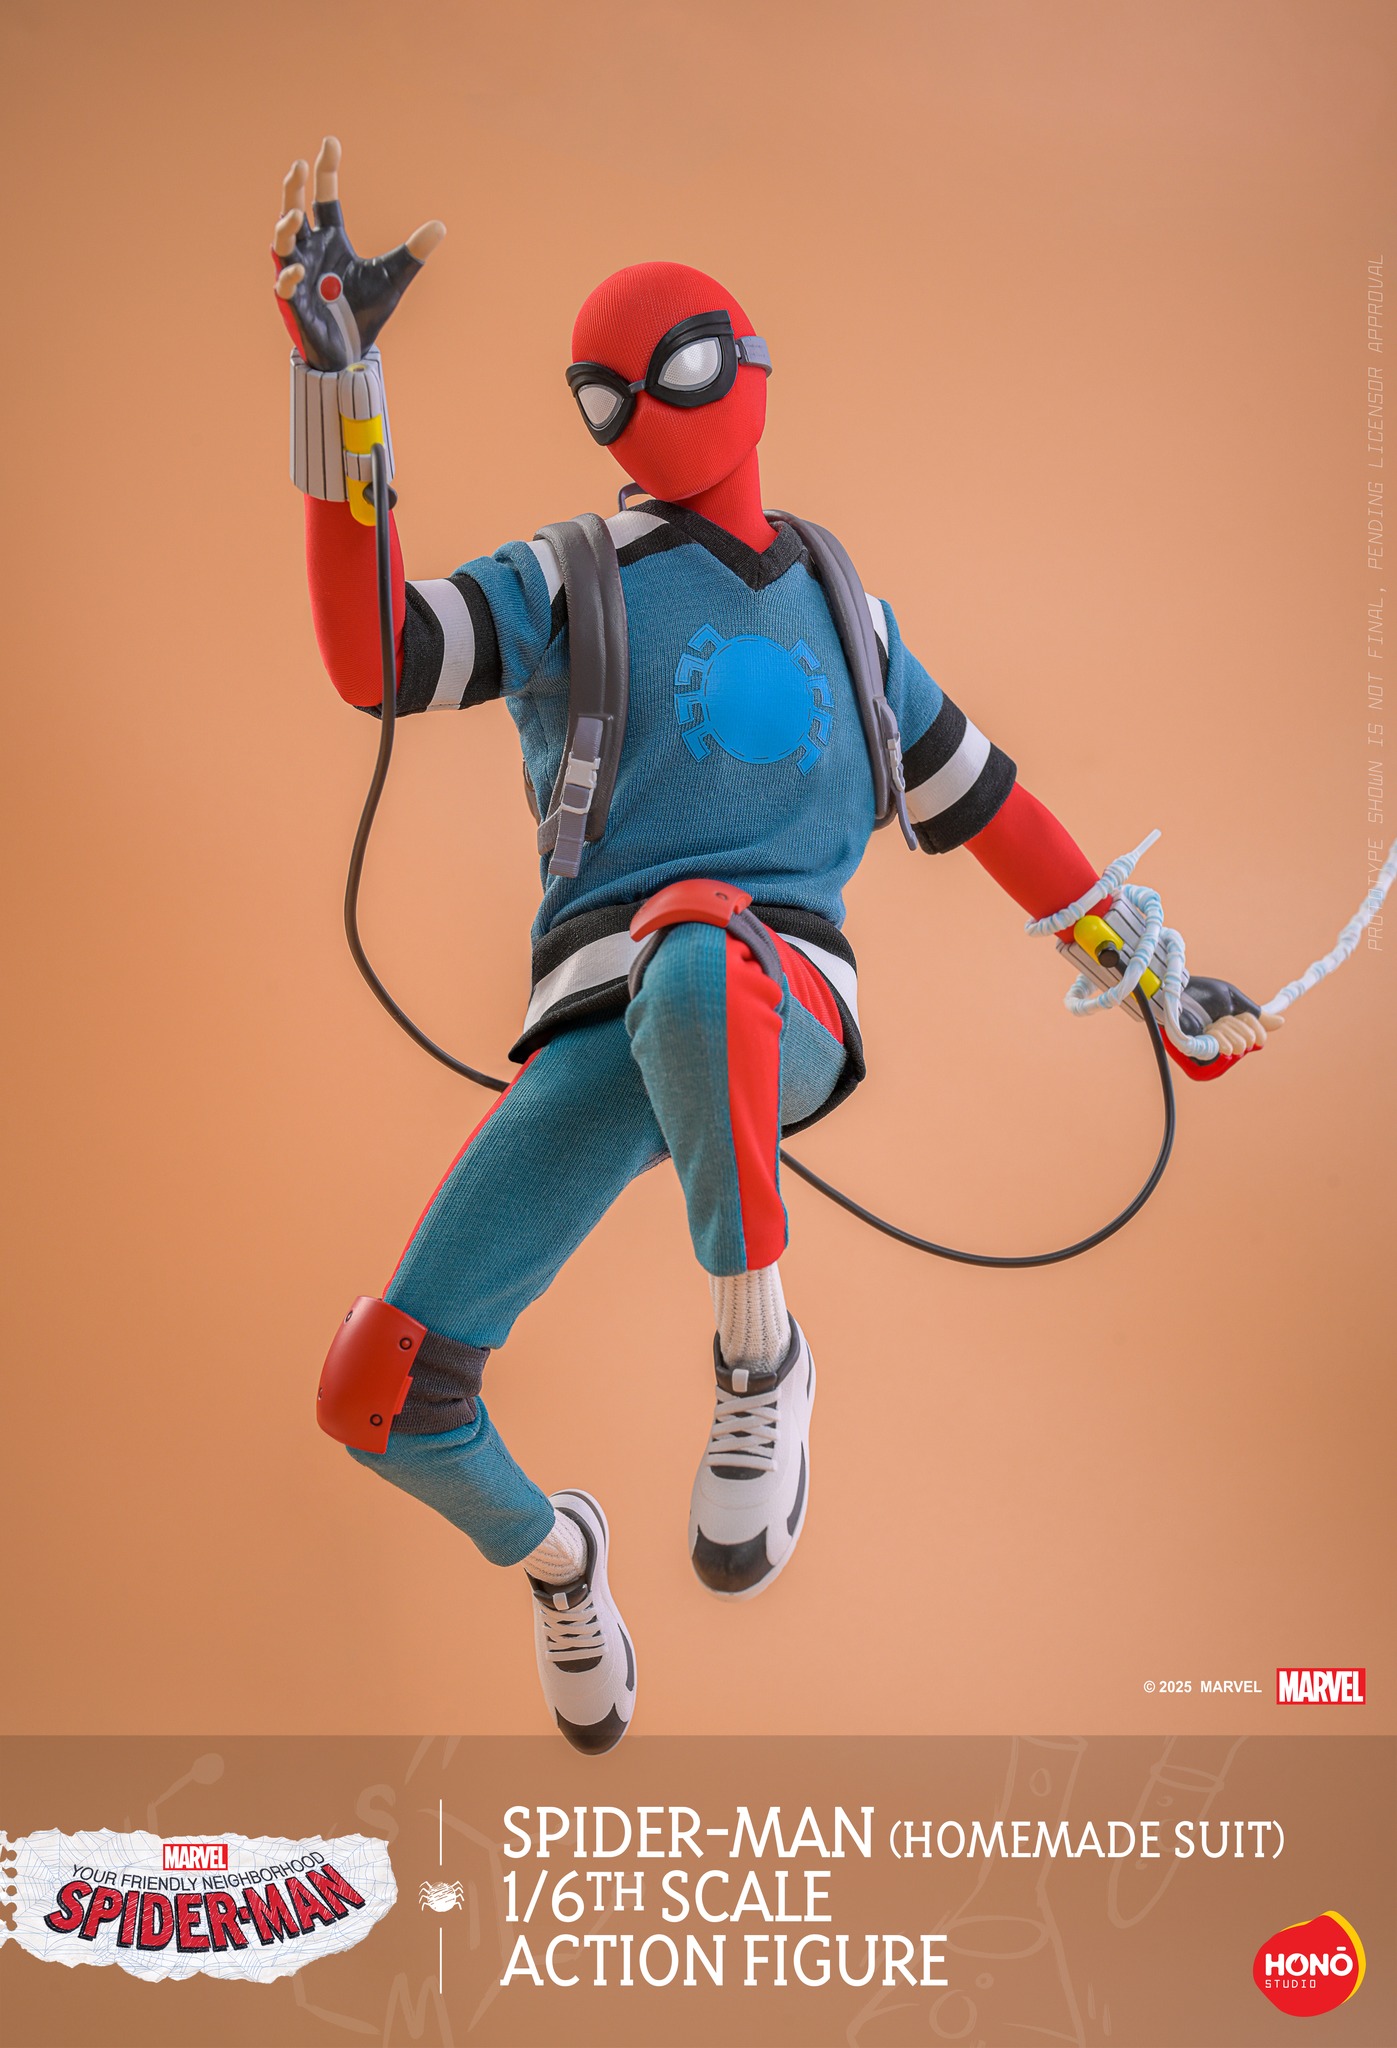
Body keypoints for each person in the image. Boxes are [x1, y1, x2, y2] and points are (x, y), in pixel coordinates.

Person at [271, 139, 1277, 1755]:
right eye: (600, 396)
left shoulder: (844, 612)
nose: (638, 415)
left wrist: (1161, 984)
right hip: (599, 1022)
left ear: (744, 365)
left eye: (668, 372)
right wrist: (339, 390)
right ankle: (560, 1561)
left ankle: (760, 1361)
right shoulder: (569, 580)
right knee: (379, 1397)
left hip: (776, 990)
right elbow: (378, 657)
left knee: (701, 944)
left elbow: (993, 810)